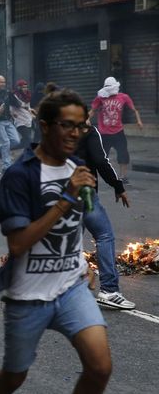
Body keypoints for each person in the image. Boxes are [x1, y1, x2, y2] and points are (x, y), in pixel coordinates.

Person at [0, 89, 111, 394]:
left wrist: (90, 262)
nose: (75, 133)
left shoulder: (77, 168)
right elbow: (18, 243)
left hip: (70, 288)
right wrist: (66, 198)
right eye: (67, 125)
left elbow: (82, 224)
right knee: (14, 376)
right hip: (28, 295)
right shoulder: (19, 177)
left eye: (81, 126)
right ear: (45, 125)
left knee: (100, 367)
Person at [76, 123, 135, 310]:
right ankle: (109, 290)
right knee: (104, 235)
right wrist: (118, 186)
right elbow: (101, 161)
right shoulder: (89, 131)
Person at [90, 76, 143, 184]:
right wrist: (86, 119)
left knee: (123, 154)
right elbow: (92, 110)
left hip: (118, 132)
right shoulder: (100, 98)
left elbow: (134, 110)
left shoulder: (123, 97)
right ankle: (94, 176)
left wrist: (139, 121)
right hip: (104, 133)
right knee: (101, 156)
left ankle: (123, 176)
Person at [9, 80, 35, 149]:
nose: (25, 89)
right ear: (19, 87)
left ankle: (6, 149)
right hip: (20, 122)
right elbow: (11, 108)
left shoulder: (28, 95)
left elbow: (28, 107)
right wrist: (13, 114)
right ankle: (29, 157)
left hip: (28, 120)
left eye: (26, 87)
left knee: (24, 142)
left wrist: (32, 114)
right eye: (23, 87)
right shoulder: (15, 96)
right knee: (29, 140)